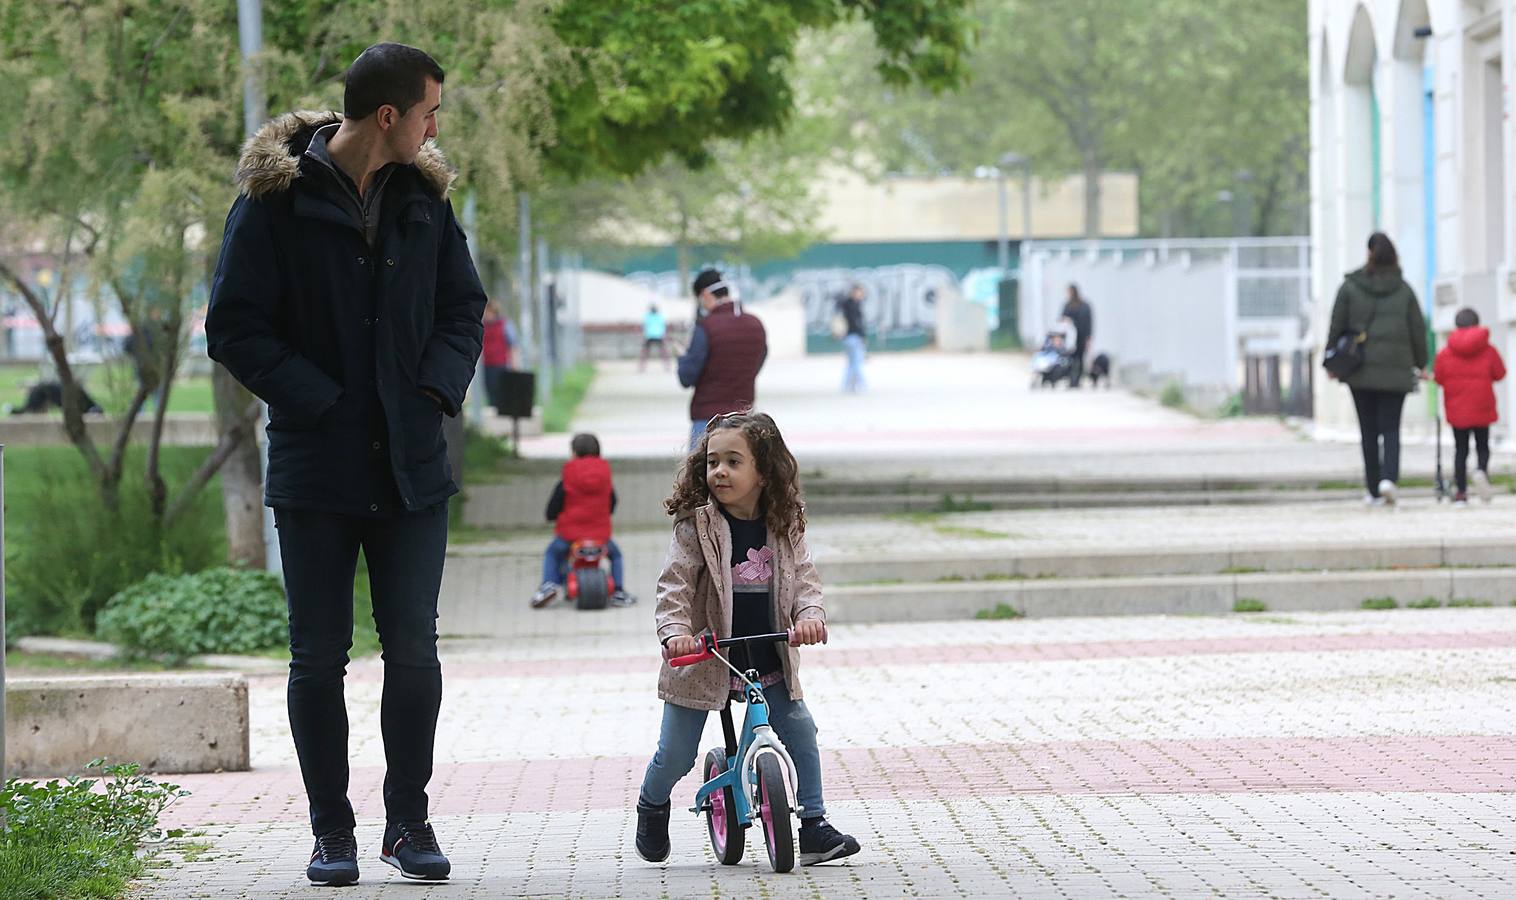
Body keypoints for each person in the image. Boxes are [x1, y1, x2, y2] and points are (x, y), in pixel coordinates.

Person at [205, 43, 484, 886]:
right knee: (318, 658)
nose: (437, 127)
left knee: (414, 649)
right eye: (429, 111)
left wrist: (431, 391)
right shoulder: (273, 204)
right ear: (389, 115)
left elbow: (462, 308)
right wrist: (319, 402)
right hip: (317, 471)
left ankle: (410, 822)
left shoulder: (423, 201)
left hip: (410, 466)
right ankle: (333, 832)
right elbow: (234, 327)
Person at [633, 411, 862, 868]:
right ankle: (652, 802)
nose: (719, 471)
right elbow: (674, 586)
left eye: (734, 462)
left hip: (767, 651)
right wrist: (676, 633)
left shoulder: (784, 522)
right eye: (712, 462)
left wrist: (811, 615)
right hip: (704, 655)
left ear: (764, 472)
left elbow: (805, 581)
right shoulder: (695, 527)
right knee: (675, 753)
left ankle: (813, 825)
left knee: (798, 728)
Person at [1326, 232, 1429, 507]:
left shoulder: (1350, 287)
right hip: (1396, 370)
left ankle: (1373, 489)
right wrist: (1422, 363)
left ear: (1368, 253)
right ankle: (1389, 480)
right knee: (1391, 429)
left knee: (1368, 431)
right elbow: (1417, 330)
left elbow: (1336, 325)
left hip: (1360, 372)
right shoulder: (1405, 290)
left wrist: (1331, 360)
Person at [530, 432, 635, 608]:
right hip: (600, 535)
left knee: (552, 553)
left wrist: (551, 515)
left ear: (574, 453)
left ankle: (548, 584)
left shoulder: (568, 474)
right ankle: (618, 590)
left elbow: (556, 501)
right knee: (616, 555)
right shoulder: (604, 474)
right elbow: (612, 502)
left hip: (569, 534)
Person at [677, 269, 767, 450]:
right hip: (745, 417)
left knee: (701, 474)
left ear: (706, 295)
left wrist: (682, 357)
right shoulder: (755, 324)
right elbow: (758, 361)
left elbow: (687, 377)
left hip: (707, 418)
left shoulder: (706, 328)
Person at [1434, 307, 1506, 506]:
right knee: (1482, 446)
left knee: (1461, 449)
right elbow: (1500, 373)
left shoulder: (1445, 352)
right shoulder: (1488, 349)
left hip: (1457, 408)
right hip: (1482, 404)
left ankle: (1461, 493)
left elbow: (1438, 378)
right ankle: (1481, 470)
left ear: (1456, 325)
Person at [481, 300, 512, 412]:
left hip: (501, 365)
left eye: (489, 312)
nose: (487, 315)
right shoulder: (482, 326)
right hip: (487, 365)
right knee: (490, 393)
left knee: (502, 393)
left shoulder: (504, 325)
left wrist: (514, 365)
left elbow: (512, 346)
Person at [1060, 284, 1094, 388]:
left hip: (1081, 336)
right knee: (1070, 359)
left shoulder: (1084, 306)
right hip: (1070, 338)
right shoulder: (1067, 305)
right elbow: (1062, 320)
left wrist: (1088, 337)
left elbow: (1088, 322)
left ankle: (1078, 380)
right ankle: (1071, 379)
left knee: (1080, 358)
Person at [836, 284, 868, 393]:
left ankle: (848, 386)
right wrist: (862, 336)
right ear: (854, 292)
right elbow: (857, 324)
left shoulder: (845, 304)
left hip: (847, 338)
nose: (861, 295)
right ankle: (862, 385)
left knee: (851, 363)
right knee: (857, 362)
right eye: (860, 292)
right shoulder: (853, 306)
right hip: (853, 337)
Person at [640, 303, 670, 371]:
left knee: (645, 352)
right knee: (663, 352)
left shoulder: (648, 316)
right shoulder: (659, 316)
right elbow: (663, 327)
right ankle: (667, 366)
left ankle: (642, 367)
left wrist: (644, 336)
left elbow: (645, 326)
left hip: (650, 336)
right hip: (657, 335)